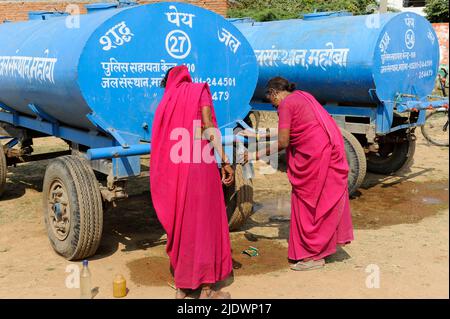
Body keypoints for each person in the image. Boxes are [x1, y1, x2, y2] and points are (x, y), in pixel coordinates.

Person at [242, 77, 354, 271]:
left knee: (309, 205)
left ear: (274, 93)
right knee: (322, 202)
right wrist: (258, 135)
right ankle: (324, 247)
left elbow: (284, 141)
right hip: (327, 153)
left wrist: (254, 154)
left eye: (270, 99)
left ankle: (313, 255)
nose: (272, 104)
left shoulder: (286, 105)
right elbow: (293, 130)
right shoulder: (302, 97)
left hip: (314, 160)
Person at [150, 66, 234, 298]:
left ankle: (183, 286)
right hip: (200, 166)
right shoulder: (200, 91)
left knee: (184, 223)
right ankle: (206, 288)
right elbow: (207, 126)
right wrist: (225, 159)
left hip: (176, 169)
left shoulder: (166, 102)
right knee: (204, 223)